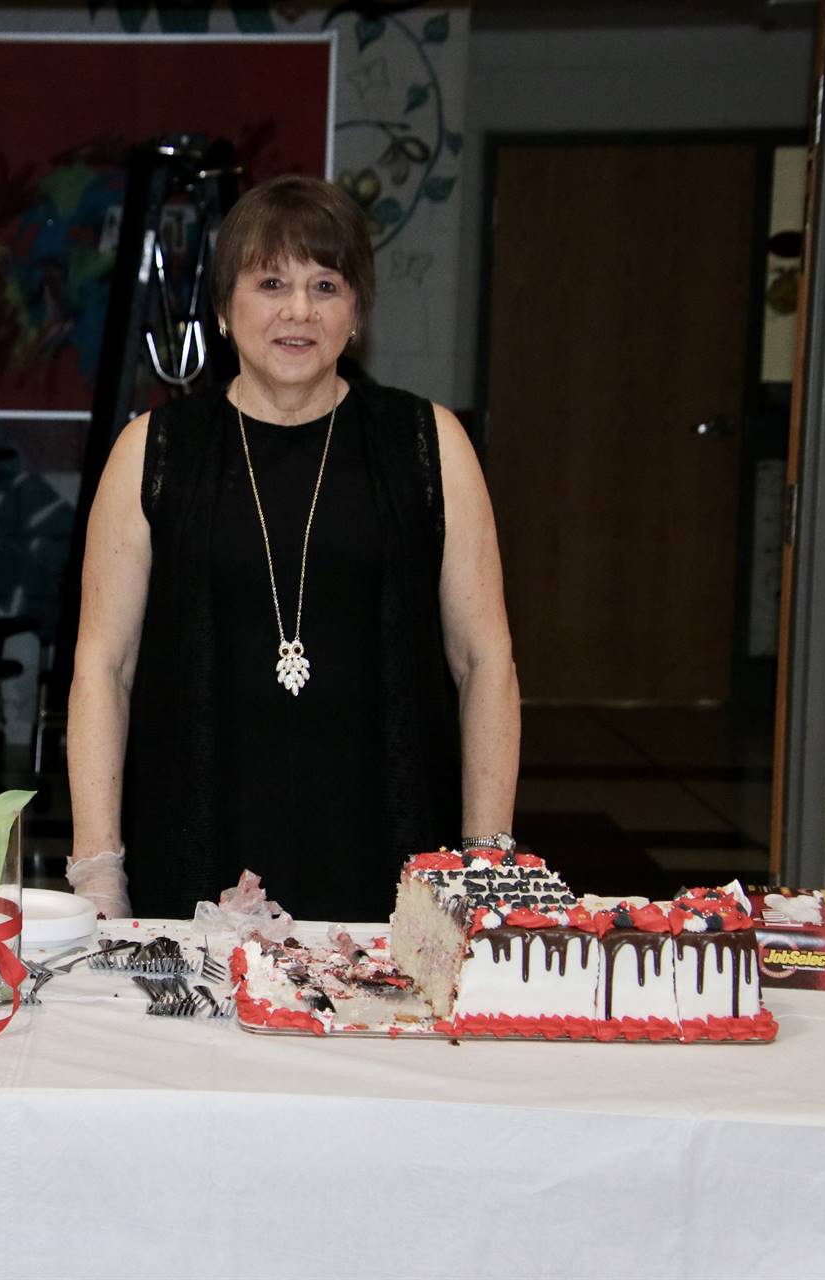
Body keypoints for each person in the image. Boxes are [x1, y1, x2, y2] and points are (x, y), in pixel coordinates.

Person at [65, 174, 520, 922]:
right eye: (271, 282)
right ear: (222, 306)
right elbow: (102, 670)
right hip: (195, 843)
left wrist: (486, 863)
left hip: (393, 848)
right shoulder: (154, 452)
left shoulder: (428, 446)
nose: (298, 310)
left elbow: (486, 663)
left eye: (326, 284)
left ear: (357, 311)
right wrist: (98, 871)